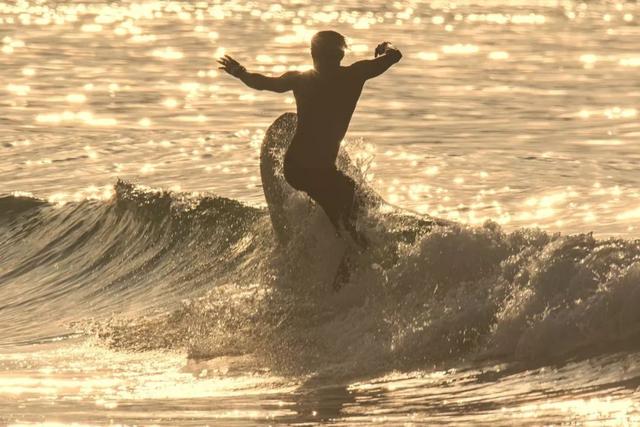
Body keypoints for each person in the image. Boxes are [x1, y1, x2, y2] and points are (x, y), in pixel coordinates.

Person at [218, 31, 402, 283]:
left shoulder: (302, 79)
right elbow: (394, 56)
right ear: (341, 54)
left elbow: (262, 83)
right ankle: (343, 282)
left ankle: (342, 272)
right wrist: (383, 49)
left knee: (349, 214)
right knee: (353, 223)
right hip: (317, 171)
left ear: (313, 55)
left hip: (296, 167)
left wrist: (240, 72)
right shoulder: (355, 74)